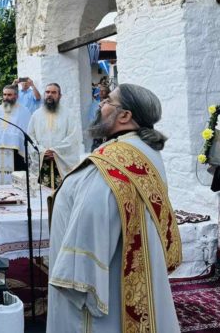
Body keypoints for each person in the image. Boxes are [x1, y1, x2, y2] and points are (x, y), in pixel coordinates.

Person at [47, 83, 182, 332]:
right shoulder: (144, 152)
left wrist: (78, 276)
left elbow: (92, 218)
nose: (101, 105)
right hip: (131, 270)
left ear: (125, 115)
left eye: (108, 100)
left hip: (109, 288)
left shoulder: (113, 161)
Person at [27, 83, 79, 189]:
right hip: (42, 161)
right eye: (47, 92)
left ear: (60, 96)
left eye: (54, 92)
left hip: (61, 162)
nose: (50, 95)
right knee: (42, 194)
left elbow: (72, 137)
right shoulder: (36, 115)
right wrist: (42, 151)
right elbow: (30, 137)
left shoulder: (69, 114)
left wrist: (56, 151)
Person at [0, 85, 31, 185]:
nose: (6, 97)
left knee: (16, 184)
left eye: (9, 95)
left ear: (16, 96)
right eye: (4, 95)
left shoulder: (24, 111)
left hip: (17, 154)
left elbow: (26, 132)